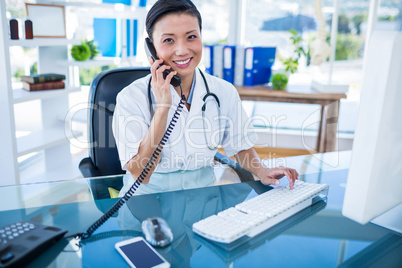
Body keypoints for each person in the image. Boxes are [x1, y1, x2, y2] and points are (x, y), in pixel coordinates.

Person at [112, 0, 299, 195]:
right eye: (169, 40)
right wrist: (163, 108)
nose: (183, 50)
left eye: (191, 37)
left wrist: (262, 170)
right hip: (147, 202)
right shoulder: (130, 98)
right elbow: (142, 174)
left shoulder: (223, 91)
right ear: (151, 48)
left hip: (202, 199)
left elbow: (239, 146)